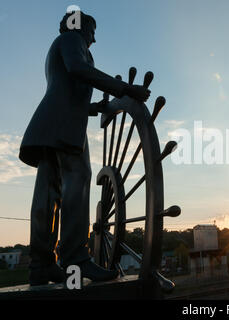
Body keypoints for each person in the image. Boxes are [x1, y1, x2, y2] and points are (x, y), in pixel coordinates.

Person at [18, 10, 150, 286]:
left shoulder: (59, 45)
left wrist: (94, 108)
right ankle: (75, 259)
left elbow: (65, 89)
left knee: (47, 194)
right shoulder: (71, 39)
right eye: (92, 29)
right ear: (79, 25)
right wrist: (125, 89)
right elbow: (79, 69)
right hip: (65, 127)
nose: (94, 37)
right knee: (76, 185)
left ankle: (41, 265)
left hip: (51, 123)